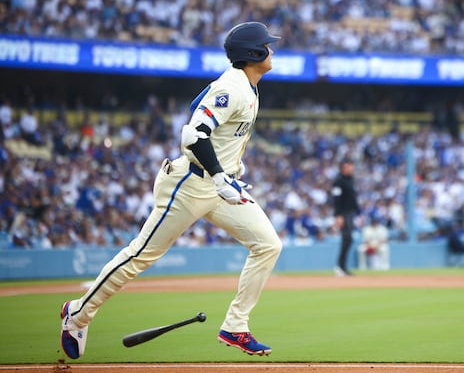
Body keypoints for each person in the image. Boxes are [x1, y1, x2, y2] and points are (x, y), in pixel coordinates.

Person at [60, 21, 283, 359]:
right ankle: (77, 314)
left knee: (268, 244)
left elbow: (210, 124)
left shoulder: (248, 85)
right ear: (253, 54)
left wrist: (231, 169)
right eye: (267, 45)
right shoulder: (233, 87)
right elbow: (193, 135)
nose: (272, 50)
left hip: (217, 183)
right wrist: (221, 176)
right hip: (189, 184)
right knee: (140, 256)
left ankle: (235, 326)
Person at [331, 158, 360, 276]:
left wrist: (358, 212)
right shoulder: (338, 181)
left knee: (348, 239)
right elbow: (336, 200)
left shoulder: (350, 179)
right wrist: (338, 215)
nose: (352, 168)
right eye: (350, 165)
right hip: (343, 213)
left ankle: (342, 266)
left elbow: (353, 198)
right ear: (343, 167)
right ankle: (340, 266)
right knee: (347, 237)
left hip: (350, 213)